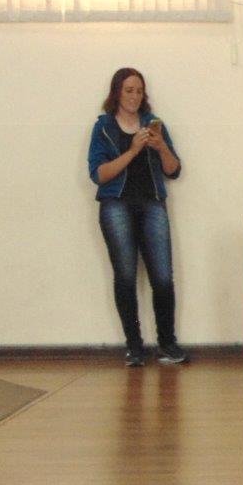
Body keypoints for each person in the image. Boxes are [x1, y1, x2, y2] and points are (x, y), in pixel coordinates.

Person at [87, 67, 185, 367]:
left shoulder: (154, 125)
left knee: (163, 277)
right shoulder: (103, 127)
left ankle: (167, 344)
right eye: (129, 90)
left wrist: (161, 146)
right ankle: (134, 347)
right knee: (126, 276)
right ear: (117, 93)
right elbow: (99, 174)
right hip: (116, 205)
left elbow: (174, 170)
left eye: (139, 91)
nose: (134, 96)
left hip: (152, 204)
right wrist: (132, 151)